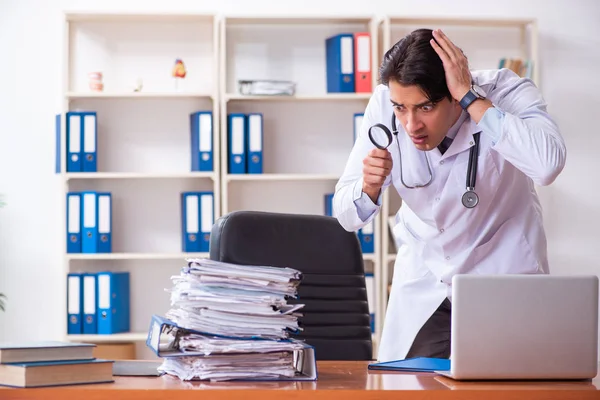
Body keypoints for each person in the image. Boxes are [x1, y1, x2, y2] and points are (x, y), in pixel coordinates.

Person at [332, 28, 566, 362]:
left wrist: (474, 100)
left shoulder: (506, 91)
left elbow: (547, 165)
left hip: (501, 272)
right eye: (401, 108)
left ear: (454, 95)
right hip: (427, 277)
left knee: (508, 387)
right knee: (407, 385)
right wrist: (368, 188)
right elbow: (345, 215)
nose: (411, 125)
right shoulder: (385, 105)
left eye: (425, 107)